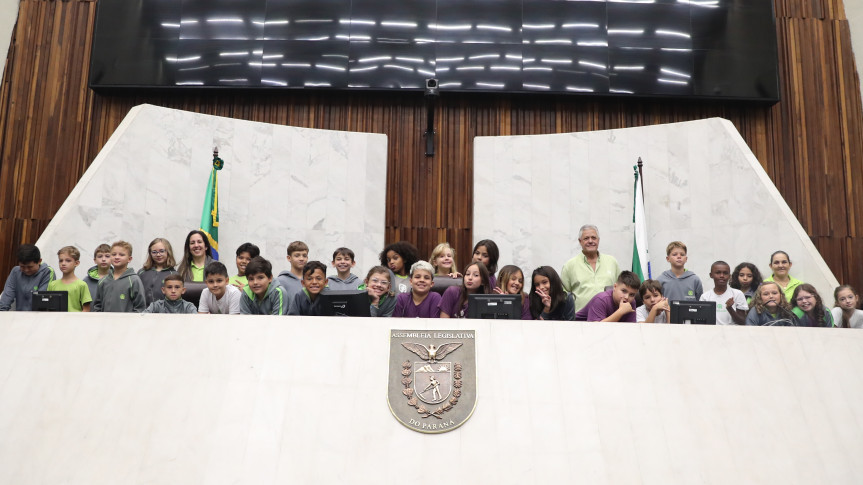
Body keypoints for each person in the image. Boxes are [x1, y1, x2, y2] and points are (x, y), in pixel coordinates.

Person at [560, 225, 620, 313]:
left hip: (609, 317)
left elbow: (620, 288)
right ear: (580, 241)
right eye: (586, 238)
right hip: (581, 319)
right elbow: (563, 295)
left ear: (598, 240)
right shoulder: (569, 265)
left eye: (593, 238)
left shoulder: (612, 262)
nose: (590, 241)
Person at [92, 241, 146, 313]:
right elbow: (97, 306)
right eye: (113, 254)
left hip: (126, 323)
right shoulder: (103, 281)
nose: (117, 257)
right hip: (105, 323)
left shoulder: (134, 280)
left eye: (121, 255)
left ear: (129, 259)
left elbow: (140, 308)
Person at [0, 244, 55, 311]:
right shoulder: (15, 272)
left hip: (38, 317)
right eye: (22, 267)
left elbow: (42, 300)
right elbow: (7, 295)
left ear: (39, 261)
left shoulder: (47, 272)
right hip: (19, 316)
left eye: (30, 267)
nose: (26, 270)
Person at [575, 270, 640, 322]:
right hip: (575, 331)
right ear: (615, 287)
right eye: (624, 291)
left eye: (632, 295)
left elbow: (630, 329)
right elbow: (596, 329)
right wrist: (620, 312)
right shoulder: (600, 299)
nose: (627, 297)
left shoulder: (631, 303)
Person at [700, 261, 748, 325]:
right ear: (711, 275)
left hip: (733, 333)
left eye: (725, 273)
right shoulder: (705, 297)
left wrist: (730, 308)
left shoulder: (737, 294)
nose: (722, 276)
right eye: (718, 273)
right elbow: (702, 321)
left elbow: (742, 322)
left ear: (729, 276)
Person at [46, 246, 92, 312]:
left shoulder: (82, 285)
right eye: (61, 261)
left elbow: (86, 309)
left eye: (68, 260)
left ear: (76, 263)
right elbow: (48, 306)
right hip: (56, 321)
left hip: (75, 321)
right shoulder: (52, 285)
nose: (63, 263)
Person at [138, 237, 177, 305]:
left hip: (164, 313)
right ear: (150, 254)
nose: (158, 255)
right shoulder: (142, 272)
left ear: (168, 252)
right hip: (143, 313)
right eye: (154, 252)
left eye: (162, 251)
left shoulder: (174, 274)